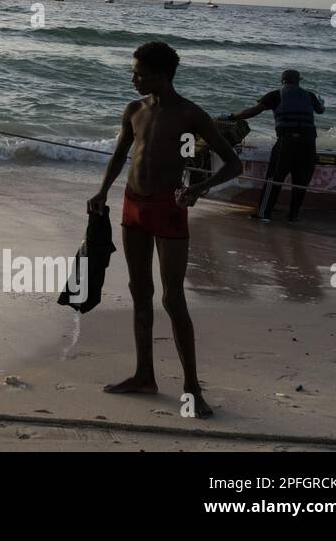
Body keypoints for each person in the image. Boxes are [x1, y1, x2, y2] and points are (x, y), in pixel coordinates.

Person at [87, 41, 242, 419]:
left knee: (173, 299)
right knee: (139, 292)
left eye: (139, 72)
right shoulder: (134, 110)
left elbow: (233, 164)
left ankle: (193, 388)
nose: (133, 78)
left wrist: (198, 189)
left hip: (169, 208)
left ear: (160, 75)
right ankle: (144, 375)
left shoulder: (189, 113)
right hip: (132, 204)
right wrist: (103, 191)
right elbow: (121, 154)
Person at [225, 70, 325, 222]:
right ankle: (293, 216)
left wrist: (232, 117)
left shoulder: (275, 95)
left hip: (287, 141)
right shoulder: (310, 95)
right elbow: (321, 110)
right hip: (309, 142)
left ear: (282, 81)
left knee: (274, 178)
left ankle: (264, 214)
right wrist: (321, 102)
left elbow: (253, 111)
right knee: (301, 181)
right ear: (299, 81)